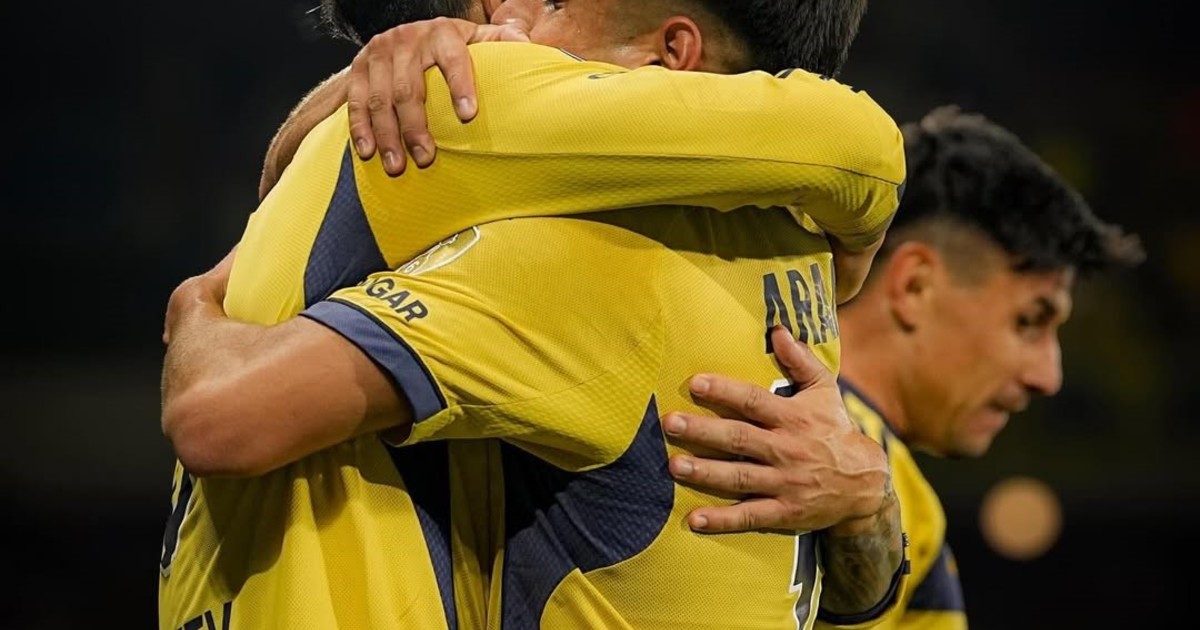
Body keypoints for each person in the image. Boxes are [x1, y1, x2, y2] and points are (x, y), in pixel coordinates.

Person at [159, 1, 908, 629]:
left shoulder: (580, 251)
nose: (512, 22)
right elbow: (852, 599)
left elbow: (219, 417)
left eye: (554, 3)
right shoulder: (799, 247)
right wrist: (868, 505)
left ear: (670, 56)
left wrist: (194, 305)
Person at [665, 105, 1144, 629]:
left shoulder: (705, 382)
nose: (1048, 376)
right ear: (915, 286)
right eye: (1029, 321)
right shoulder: (878, 489)